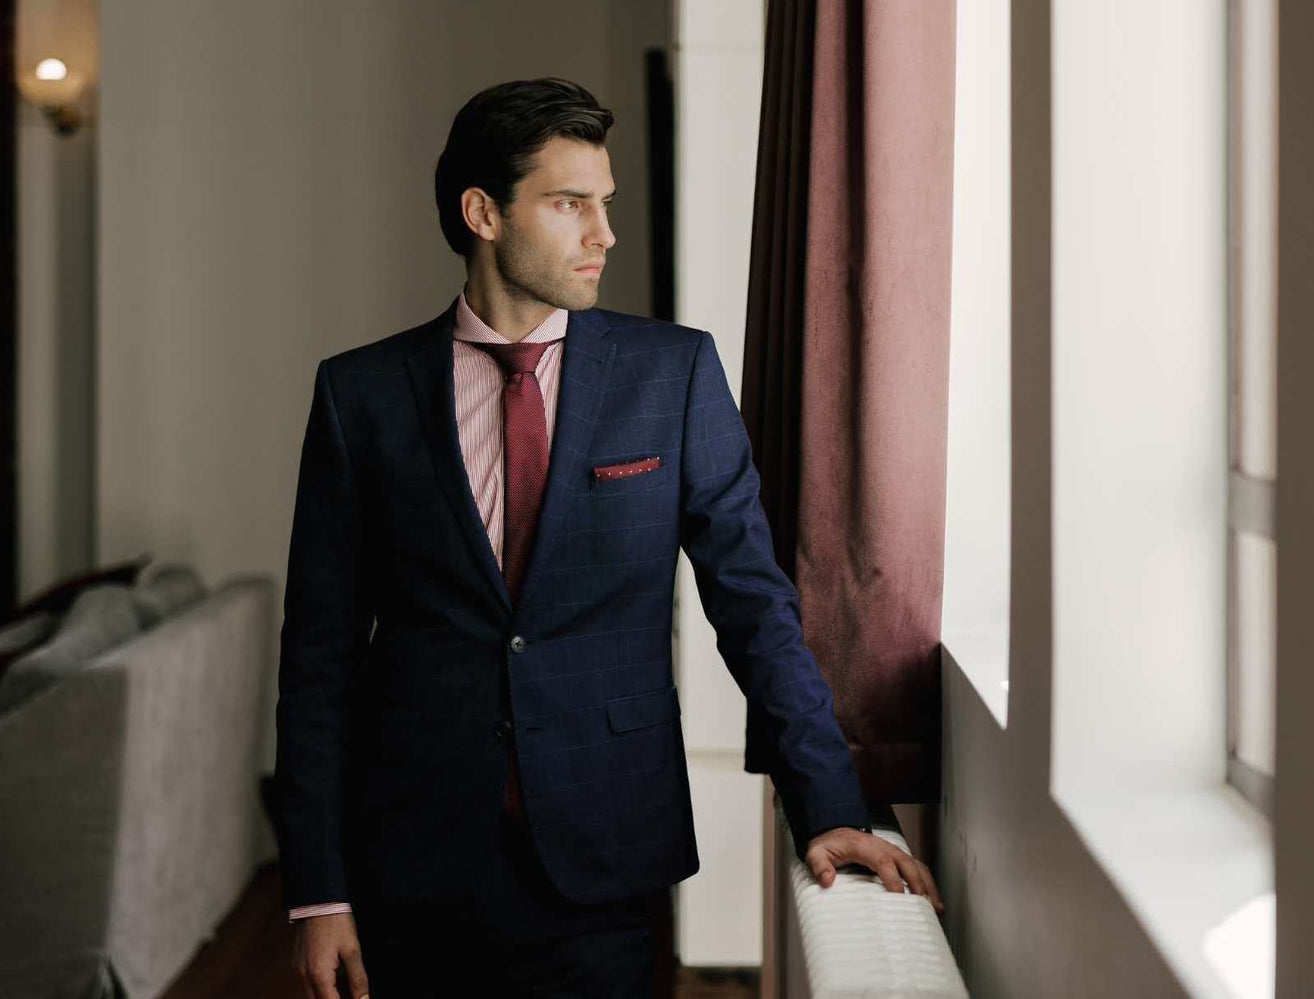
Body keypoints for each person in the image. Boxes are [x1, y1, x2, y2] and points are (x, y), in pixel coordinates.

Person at [276, 77, 942, 999]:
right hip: (413, 857)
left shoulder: (672, 374)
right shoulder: (361, 396)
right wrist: (317, 892)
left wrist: (826, 805)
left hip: (605, 851)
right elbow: (318, 660)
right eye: (569, 203)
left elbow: (753, 604)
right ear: (484, 213)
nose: (604, 233)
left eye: (607, 204)